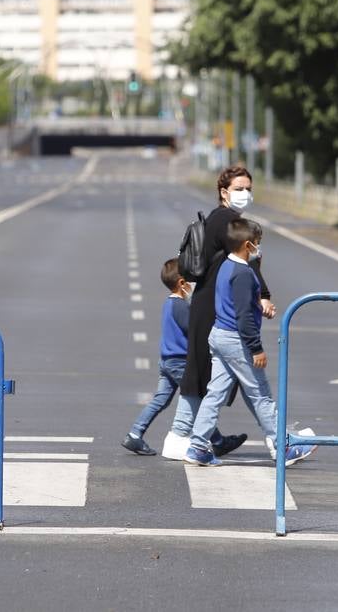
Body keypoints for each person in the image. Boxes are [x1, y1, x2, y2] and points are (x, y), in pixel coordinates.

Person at [185, 219, 313, 467]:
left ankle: (199, 446)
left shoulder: (226, 265)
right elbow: (242, 315)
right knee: (261, 395)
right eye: (257, 244)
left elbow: (236, 303)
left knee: (215, 393)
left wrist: (258, 305)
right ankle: (282, 445)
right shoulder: (243, 273)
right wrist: (256, 348)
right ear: (247, 245)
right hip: (237, 340)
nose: (258, 249)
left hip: (220, 334)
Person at [169, 165, 273, 452]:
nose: (245, 193)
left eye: (249, 188)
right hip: (214, 307)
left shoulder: (222, 217)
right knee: (217, 375)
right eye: (239, 188)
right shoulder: (227, 220)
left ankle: (199, 439)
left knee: (213, 377)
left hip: (210, 302)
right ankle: (182, 436)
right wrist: (263, 294)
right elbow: (247, 260)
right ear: (223, 192)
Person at [124, 259, 247, 458]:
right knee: (198, 398)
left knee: (161, 400)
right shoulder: (181, 307)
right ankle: (218, 441)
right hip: (180, 361)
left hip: (167, 360)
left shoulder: (169, 302)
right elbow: (195, 332)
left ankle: (135, 433)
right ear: (182, 283)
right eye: (192, 280)